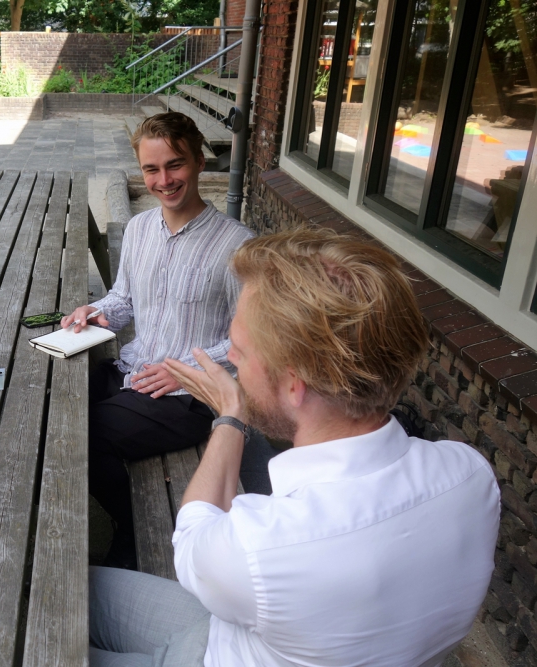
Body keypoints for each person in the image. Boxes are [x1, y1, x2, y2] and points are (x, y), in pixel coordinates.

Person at [89, 227, 501, 666]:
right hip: (241, 629)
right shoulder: (471, 474)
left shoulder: (266, 543)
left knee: (40, 624)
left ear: (293, 384)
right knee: (67, 586)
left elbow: (193, 532)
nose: (230, 357)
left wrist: (230, 415)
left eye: (241, 353)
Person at [61, 112, 272, 568]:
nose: (164, 180)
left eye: (174, 165)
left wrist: (185, 371)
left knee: (85, 436)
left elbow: (254, 340)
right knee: (53, 409)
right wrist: (95, 313)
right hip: (132, 372)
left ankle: (137, 532)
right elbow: (123, 300)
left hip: (189, 397)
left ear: (199, 161)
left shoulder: (238, 246)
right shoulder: (139, 229)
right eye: (151, 170)